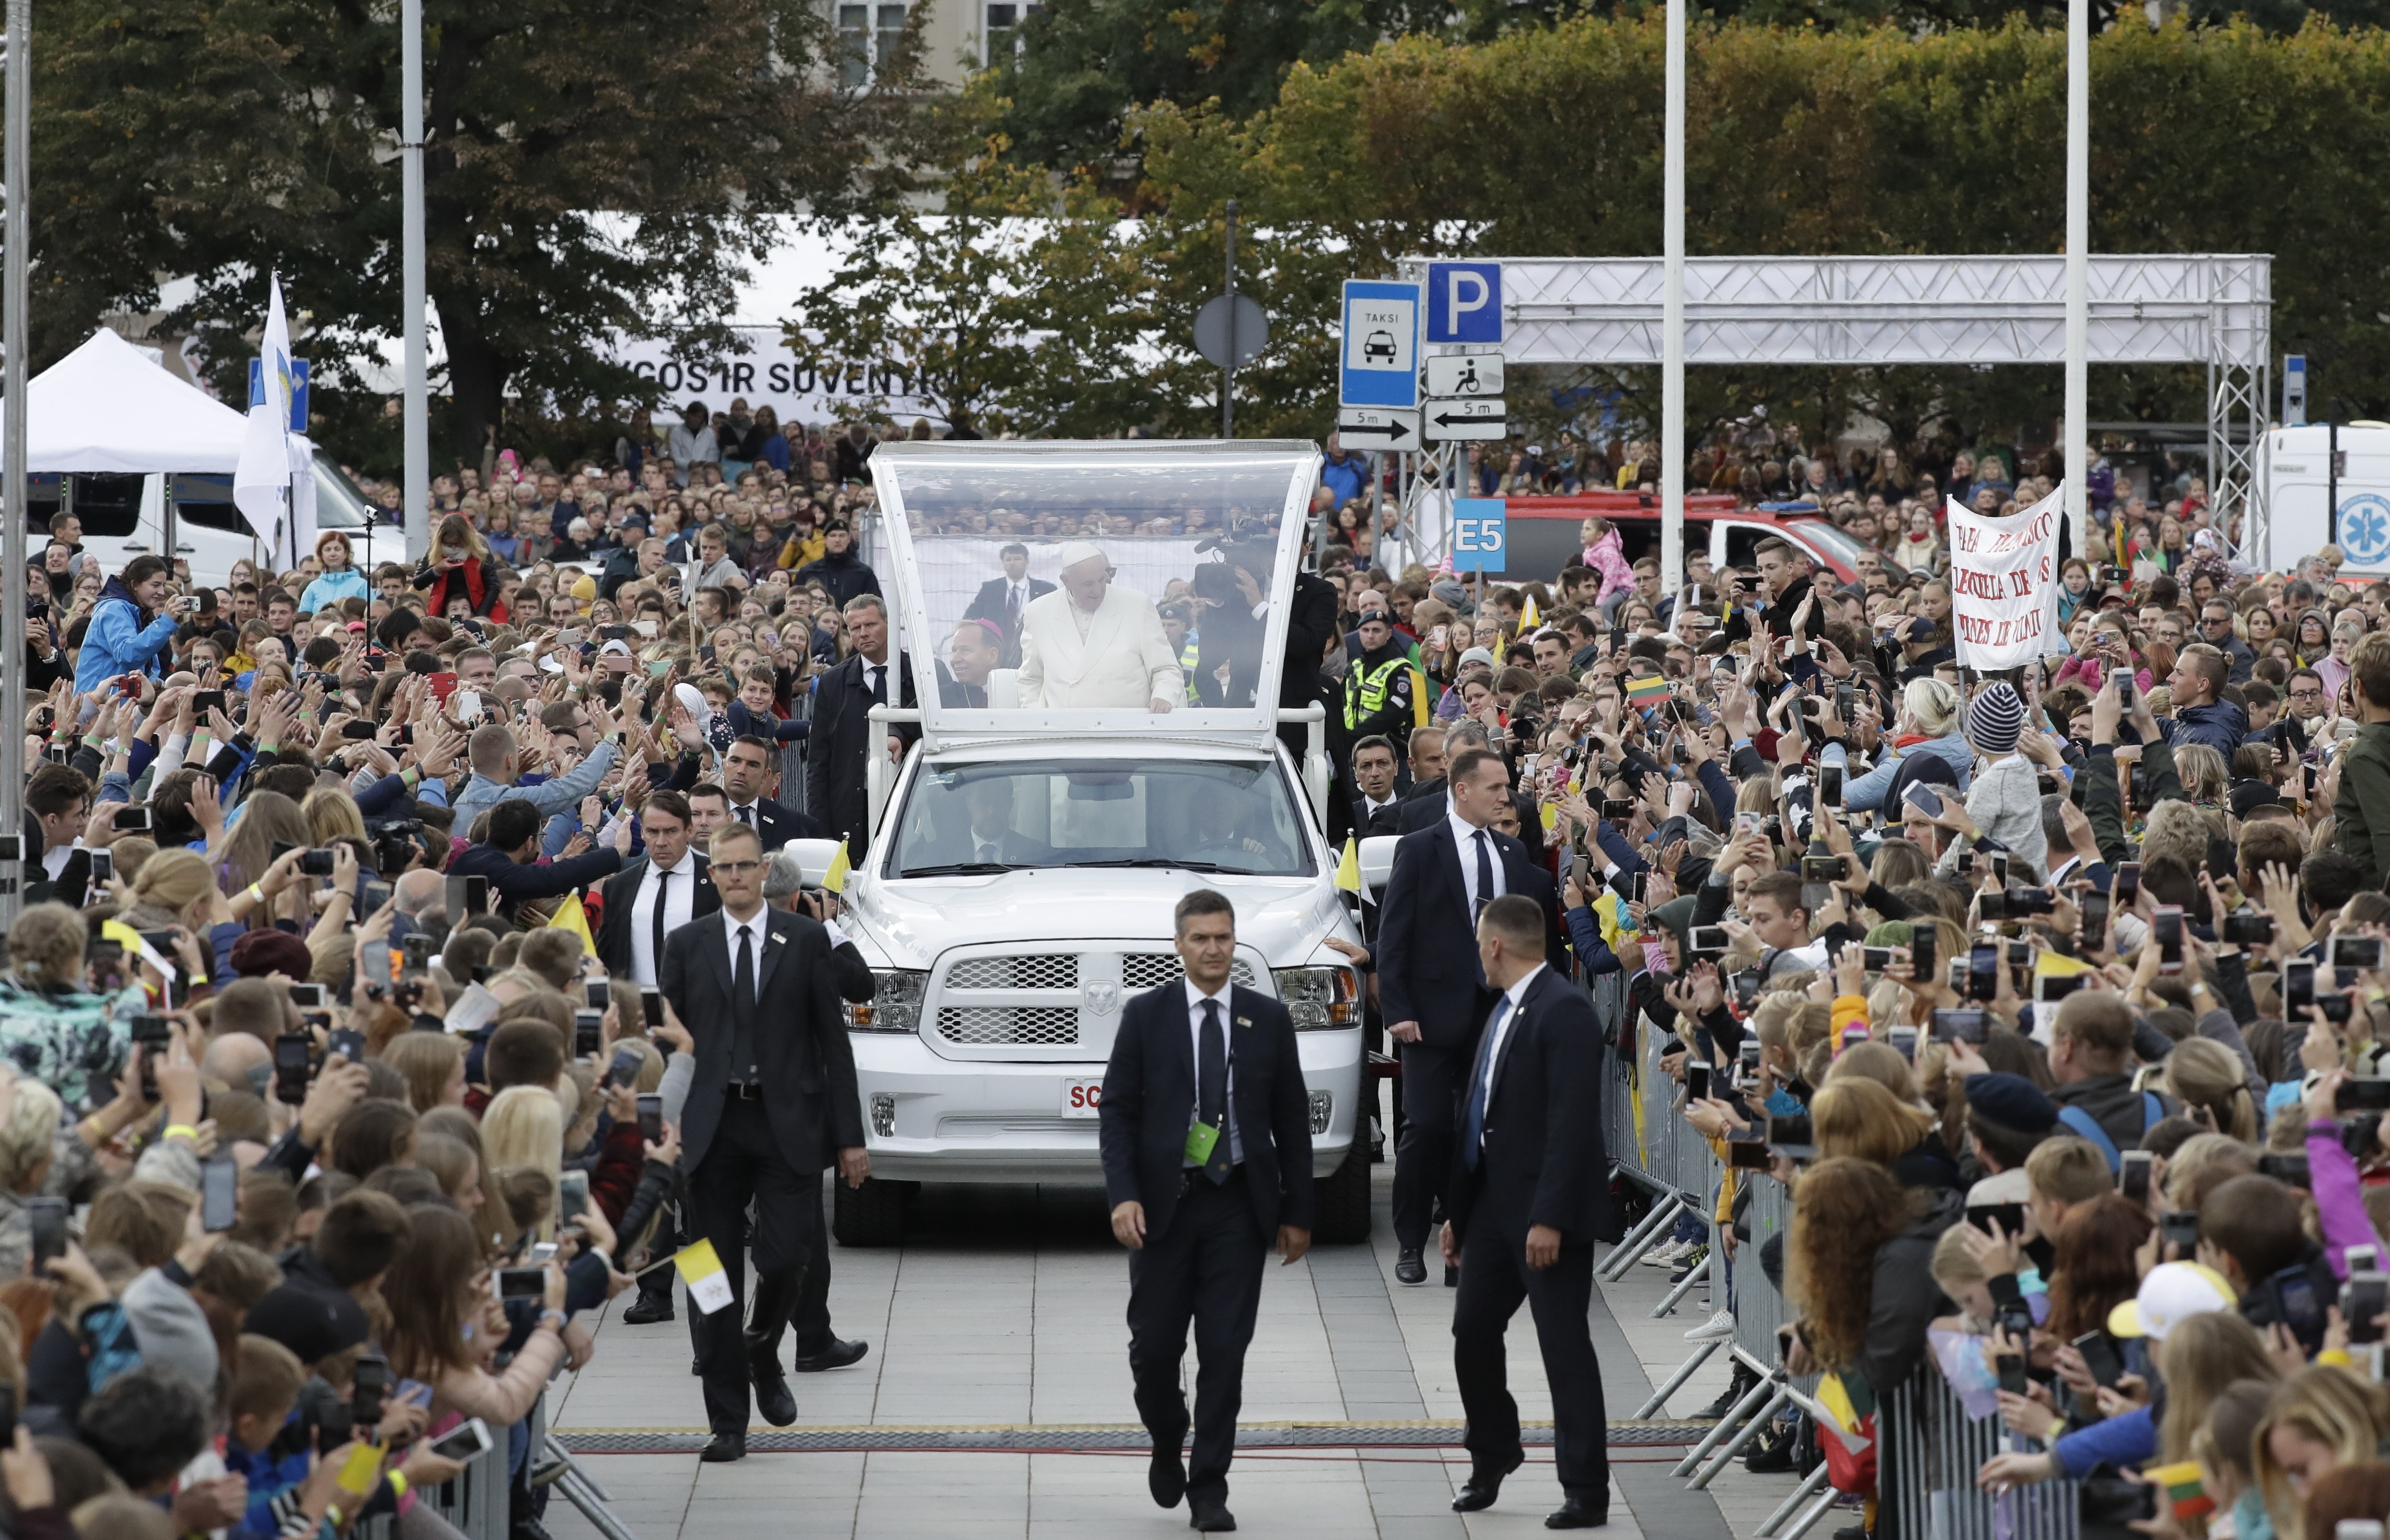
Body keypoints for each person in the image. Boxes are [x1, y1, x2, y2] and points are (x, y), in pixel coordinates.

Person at [1099, 888, 1314, 1534]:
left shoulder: (1266, 1018)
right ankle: (1168, 1436)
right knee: (1154, 1351)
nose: (1213, 949)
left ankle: (1210, 1485)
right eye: (1200, 939)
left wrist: (1297, 1211)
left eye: (1222, 937)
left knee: (1224, 1350)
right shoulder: (1146, 1015)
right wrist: (1123, 1193)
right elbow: (1117, 1110)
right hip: (1165, 1208)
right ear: (1179, 945)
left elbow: (1290, 1121)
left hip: (1236, 1207)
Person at [657, 820, 866, 1462]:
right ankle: (727, 1420)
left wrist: (849, 1138)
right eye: (725, 868)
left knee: (784, 1258)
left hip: (785, 1126)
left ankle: (761, 1346)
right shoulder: (686, 945)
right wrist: (660, 1128)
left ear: (762, 871)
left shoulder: (803, 940)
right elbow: (669, 1045)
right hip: (710, 1132)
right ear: (712, 873)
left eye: (746, 867)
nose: (736, 877)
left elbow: (833, 1042)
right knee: (708, 1278)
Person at [1442, 895, 1615, 1529]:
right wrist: (1459, 1214)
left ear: (1495, 945)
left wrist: (1549, 1217)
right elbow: (1480, 1115)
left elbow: (1570, 1125)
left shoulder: (1563, 1010)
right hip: (1491, 1207)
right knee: (1471, 1332)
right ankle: (1493, 1449)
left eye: (1477, 943)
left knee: (1563, 1347)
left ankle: (1584, 1488)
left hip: (1546, 1212)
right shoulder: (1504, 1009)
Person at [1373, 747, 1565, 1287]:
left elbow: (1535, 945)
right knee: (1426, 1126)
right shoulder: (1418, 848)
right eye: (1495, 787)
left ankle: (1469, 1239)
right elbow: (1394, 935)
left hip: (1497, 1019)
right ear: (1462, 790)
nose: (1506, 797)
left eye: (1506, 787)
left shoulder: (1510, 854)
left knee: (1486, 1132)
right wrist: (1397, 1010)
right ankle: (1410, 1240)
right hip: (1430, 1020)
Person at [805, 595, 915, 856]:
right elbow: (818, 762)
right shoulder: (833, 683)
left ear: (889, 624)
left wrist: (901, 734)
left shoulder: (922, 674)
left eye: (871, 625)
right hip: (852, 809)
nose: (863, 633)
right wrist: (822, 831)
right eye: (855, 628)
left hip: (914, 803)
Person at [1015, 542, 1182, 711]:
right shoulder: (1039, 612)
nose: (1098, 590)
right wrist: (1036, 718)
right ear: (1066, 581)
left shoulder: (1137, 605)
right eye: (1088, 584)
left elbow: (1166, 668)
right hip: (1064, 731)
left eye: (1101, 580)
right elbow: (1031, 679)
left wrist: (1163, 696)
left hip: (1128, 729)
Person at [595, 791, 716, 987]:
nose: (661, 842)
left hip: (699, 1010)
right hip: (637, 1011)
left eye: (671, 831)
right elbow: (608, 959)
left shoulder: (716, 880)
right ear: (642, 832)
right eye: (653, 832)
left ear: (689, 830)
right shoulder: (619, 887)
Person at [74, 557, 193, 693]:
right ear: (135, 584)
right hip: (98, 704)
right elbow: (127, 655)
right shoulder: (114, 609)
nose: (161, 592)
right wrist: (165, 622)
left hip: (119, 701)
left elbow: (146, 668)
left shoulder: (141, 612)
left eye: (163, 585)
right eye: (155, 585)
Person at [721, 734, 821, 853]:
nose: (741, 770)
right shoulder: (699, 815)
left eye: (752, 765)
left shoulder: (793, 824)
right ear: (723, 766)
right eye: (735, 761)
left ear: (766, 775)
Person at [1343, 609, 1424, 752]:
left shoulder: (1400, 668)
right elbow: (1342, 702)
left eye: (1376, 631)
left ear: (1389, 634)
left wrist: (1358, 734)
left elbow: (1394, 711)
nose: (1370, 636)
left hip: (1388, 747)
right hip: (1352, 747)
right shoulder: (1354, 666)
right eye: (1365, 630)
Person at [961, 543, 1054, 666]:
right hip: (999, 650)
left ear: (1027, 561)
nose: (1012, 563)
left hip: (1035, 648)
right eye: (1008, 559)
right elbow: (971, 617)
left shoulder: (1045, 589)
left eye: (1017, 559)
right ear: (1003, 563)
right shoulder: (990, 589)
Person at [793, 519, 881, 609]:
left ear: (849, 539)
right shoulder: (809, 571)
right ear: (825, 540)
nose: (838, 540)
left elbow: (875, 605)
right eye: (833, 536)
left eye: (842, 536)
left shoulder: (863, 573)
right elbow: (797, 601)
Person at [938, 619, 1005, 708]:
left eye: (966, 650)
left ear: (992, 655)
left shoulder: (1020, 693)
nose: (955, 659)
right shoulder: (939, 698)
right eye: (954, 651)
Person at [298, 531, 369, 614]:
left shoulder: (361, 585)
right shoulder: (313, 588)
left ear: (346, 553)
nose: (333, 554)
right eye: (328, 550)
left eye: (337, 549)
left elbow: (372, 616)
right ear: (321, 554)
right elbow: (303, 618)